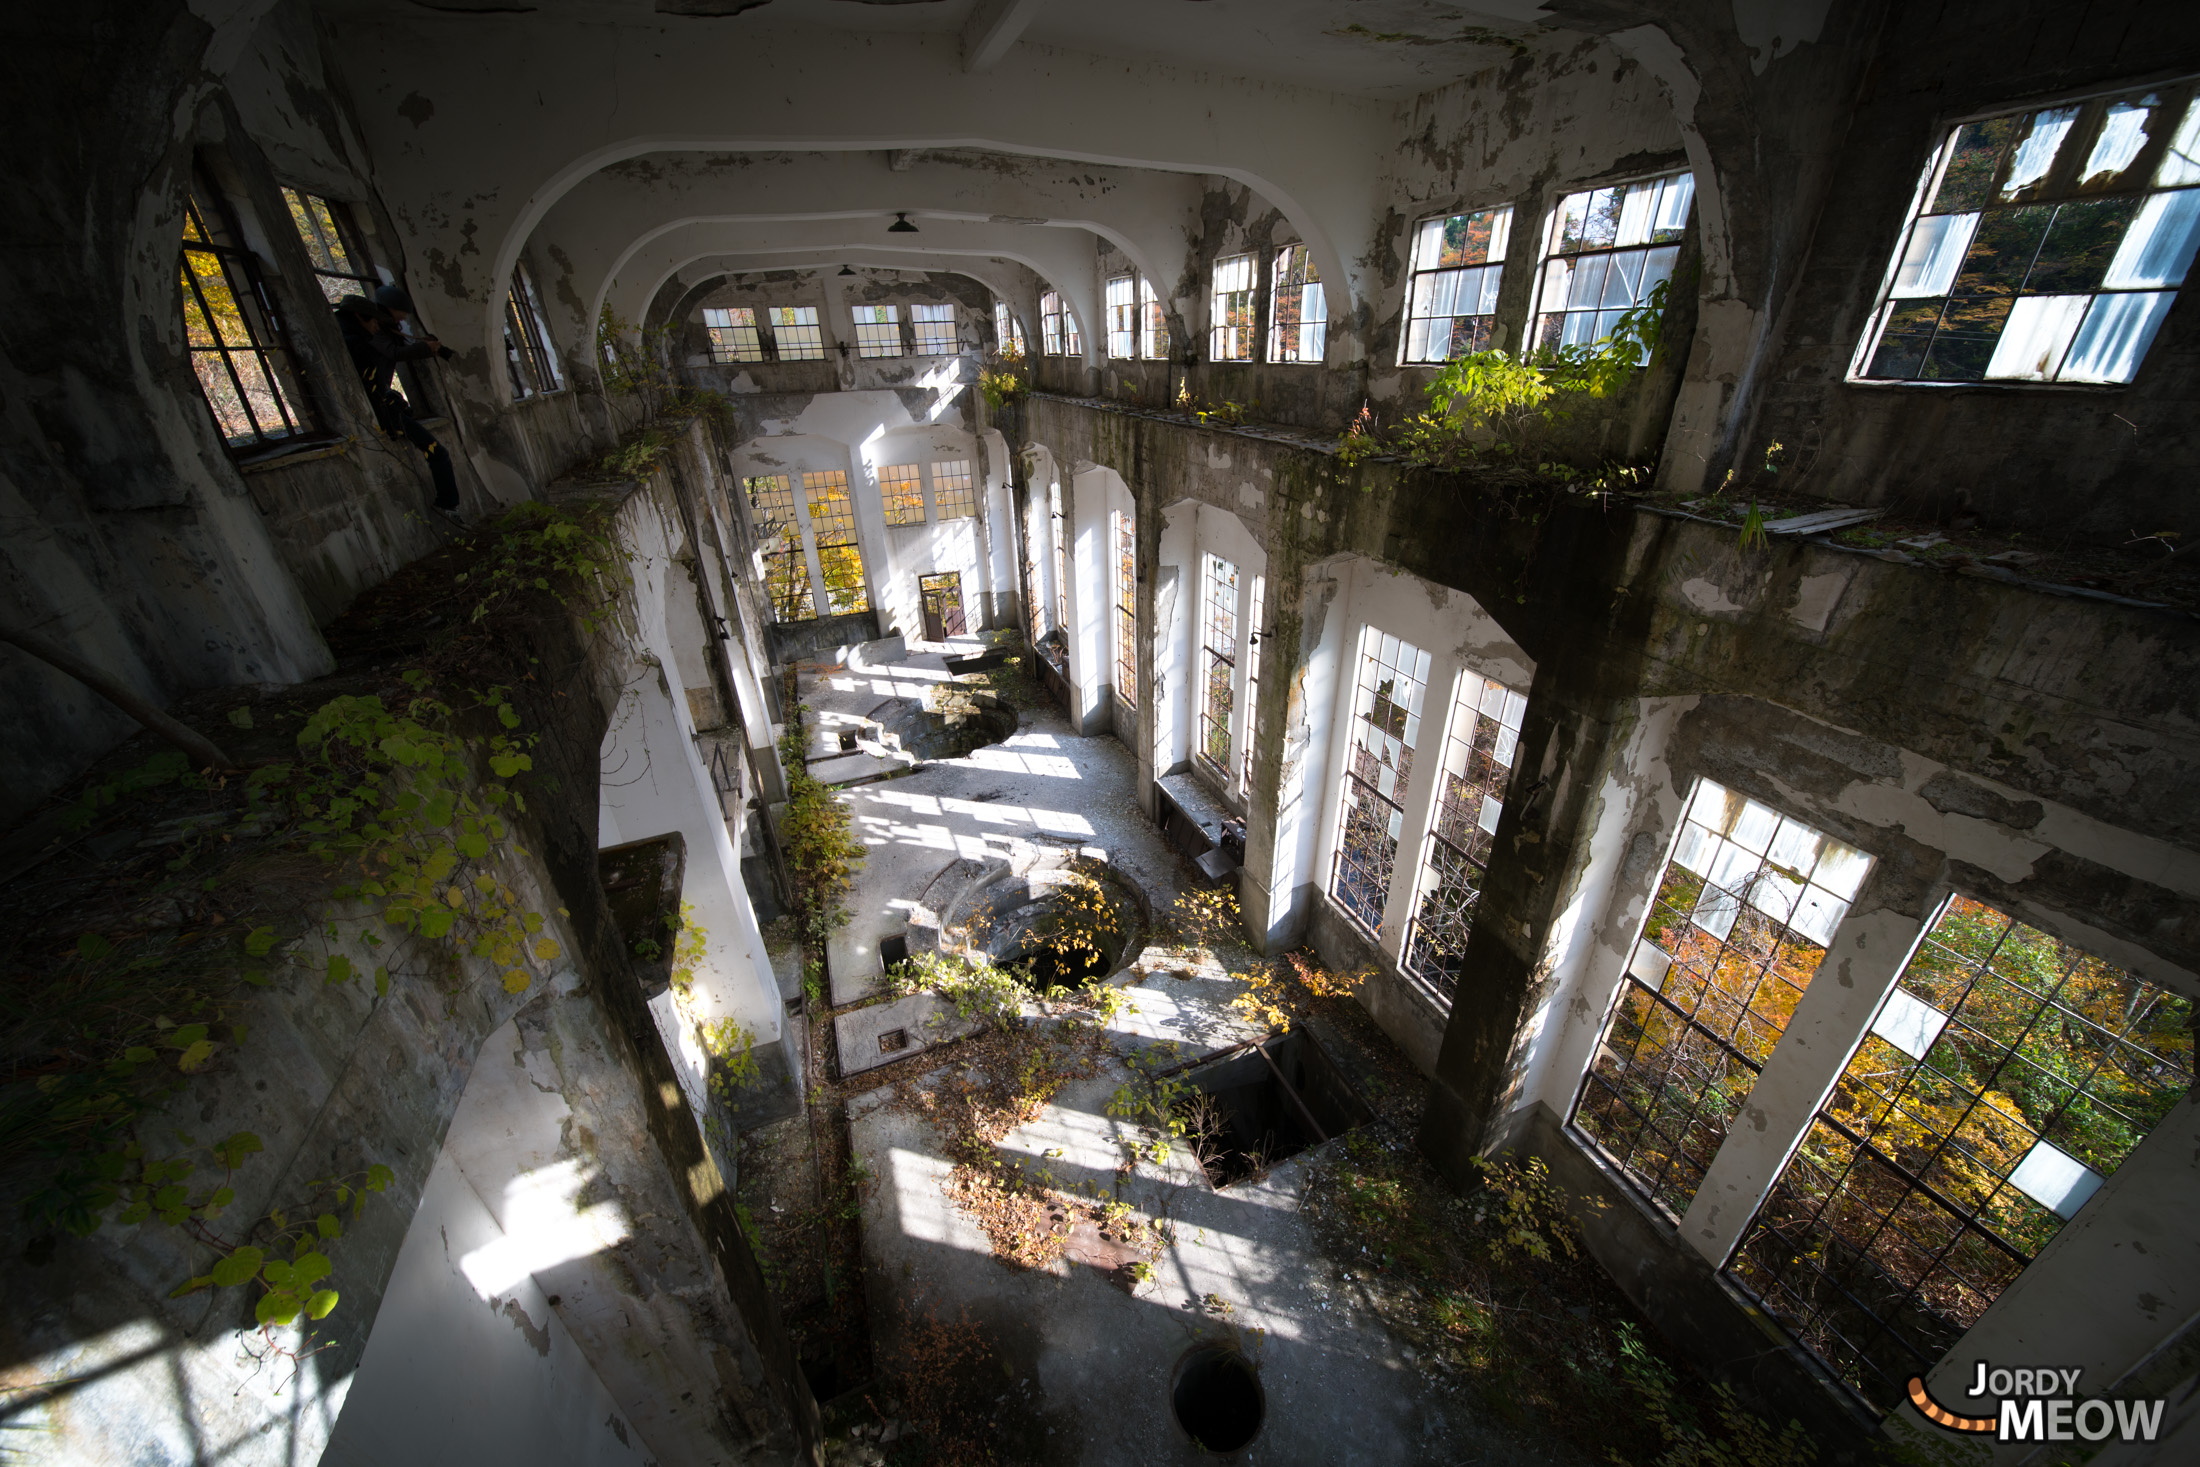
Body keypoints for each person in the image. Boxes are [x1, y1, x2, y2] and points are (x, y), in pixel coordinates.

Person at [334, 287, 463, 525]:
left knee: (437, 452)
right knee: (437, 452)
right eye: (374, 321)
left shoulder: (352, 337)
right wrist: (424, 349)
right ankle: (448, 506)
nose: (377, 327)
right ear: (360, 317)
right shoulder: (358, 342)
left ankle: (449, 504)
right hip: (381, 409)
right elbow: (386, 362)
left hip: (382, 405)